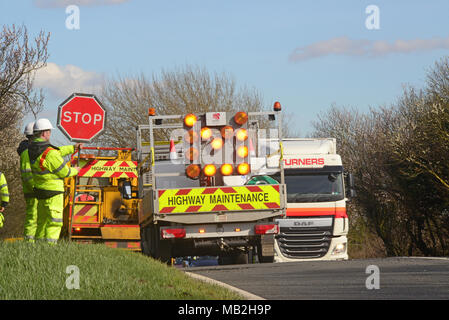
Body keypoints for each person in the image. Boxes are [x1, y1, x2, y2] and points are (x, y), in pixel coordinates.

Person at [28, 118, 82, 244]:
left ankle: (39, 246)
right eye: (49, 132)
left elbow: (57, 152)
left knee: (42, 222)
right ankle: (50, 248)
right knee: (54, 222)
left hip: (41, 192)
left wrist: (73, 148)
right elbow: (65, 172)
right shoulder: (50, 153)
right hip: (54, 193)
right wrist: (76, 170)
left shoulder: (32, 150)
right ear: (44, 133)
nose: (50, 134)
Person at [17, 122, 38, 242]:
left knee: (33, 216)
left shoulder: (26, 150)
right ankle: (30, 242)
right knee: (33, 216)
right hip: (33, 190)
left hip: (31, 189)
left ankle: (32, 241)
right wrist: (35, 187)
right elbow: (27, 173)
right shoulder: (28, 152)